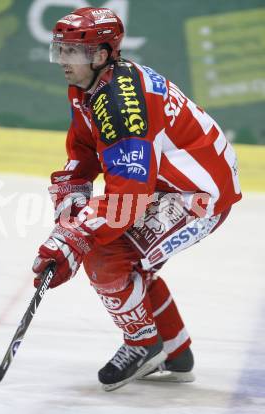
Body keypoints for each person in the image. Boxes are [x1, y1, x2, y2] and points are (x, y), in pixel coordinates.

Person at [31, 7, 242, 392]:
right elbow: (84, 148)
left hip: (196, 194)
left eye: (73, 52)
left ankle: (144, 345)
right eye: (60, 50)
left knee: (105, 254)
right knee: (121, 253)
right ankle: (175, 352)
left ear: (101, 54)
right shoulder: (89, 85)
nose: (63, 60)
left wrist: (75, 237)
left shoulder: (121, 106)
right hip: (167, 181)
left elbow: (128, 197)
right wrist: (71, 197)